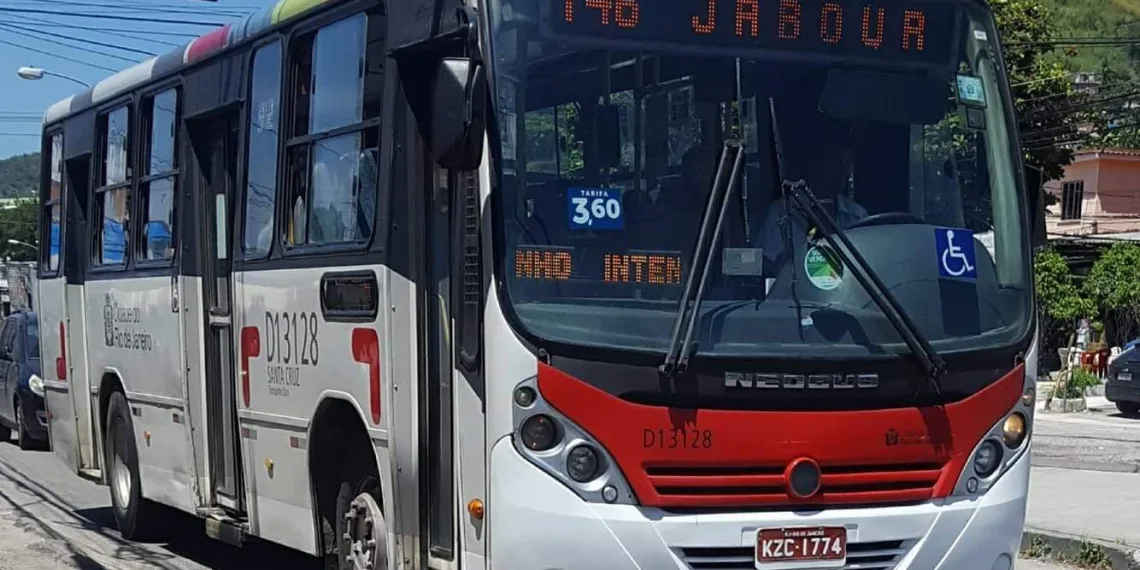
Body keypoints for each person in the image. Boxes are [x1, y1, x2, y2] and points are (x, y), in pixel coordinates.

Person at [754, 128, 868, 271]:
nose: (846, 170)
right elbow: (767, 265)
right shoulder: (783, 212)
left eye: (848, 163)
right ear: (819, 164)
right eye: (838, 162)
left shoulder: (857, 215)